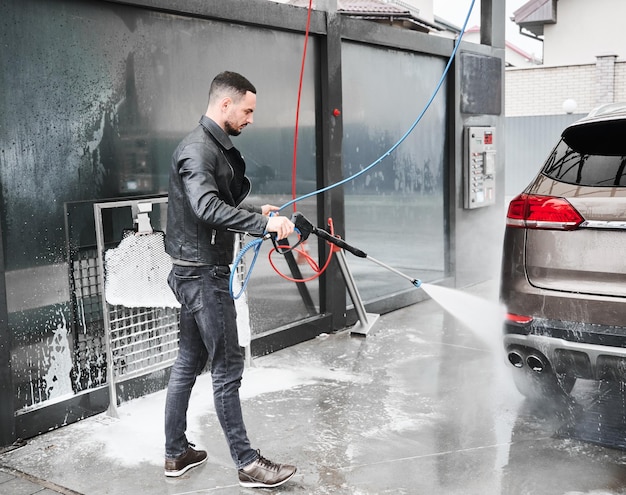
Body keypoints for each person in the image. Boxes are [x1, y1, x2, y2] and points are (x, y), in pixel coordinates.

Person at [163, 71, 297, 488]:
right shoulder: (197, 151)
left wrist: (260, 213)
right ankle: (248, 463)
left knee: (189, 361)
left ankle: (176, 453)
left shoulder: (210, 148)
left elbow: (219, 203)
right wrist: (264, 226)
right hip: (202, 274)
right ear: (225, 105)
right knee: (227, 367)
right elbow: (206, 208)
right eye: (248, 110)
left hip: (192, 270)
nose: (251, 118)